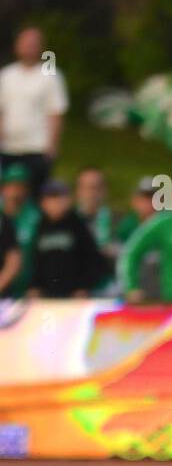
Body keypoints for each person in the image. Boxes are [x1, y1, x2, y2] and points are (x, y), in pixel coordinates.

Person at [0, 26, 67, 198]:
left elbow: (56, 112)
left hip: (37, 148)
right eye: (25, 43)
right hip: (9, 147)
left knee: (36, 195)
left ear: (41, 47)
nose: (29, 47)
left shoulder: (50, 75)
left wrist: (52, 146)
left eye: (33, 43)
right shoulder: (7, 75)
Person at [29, 180, 102, 298]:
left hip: (75, 295)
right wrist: (34, 286)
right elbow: (35, 262)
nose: (56, 202)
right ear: (43, 202)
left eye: (59, 197)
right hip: (46, 295)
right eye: (51, 198)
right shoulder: (40, 226)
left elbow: (94, 261)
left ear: (69, 200)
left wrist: (84, 286)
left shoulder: (78, 224)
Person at [0, 163, 40, 296]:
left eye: (19, 186)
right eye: (10, 185)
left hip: (27, 290)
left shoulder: (36, 217)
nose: (14, 191)